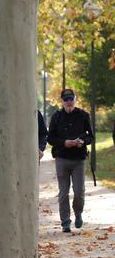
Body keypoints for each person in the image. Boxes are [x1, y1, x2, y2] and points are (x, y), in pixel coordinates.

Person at [47, 88, 94, 233]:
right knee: (63, 192)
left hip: (78, 159)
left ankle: (78, 213)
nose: (69, 102)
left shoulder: (84, 115)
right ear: (62, 101)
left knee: (79, 191)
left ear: (75, 99)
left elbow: (90, 137)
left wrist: (82, 141)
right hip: (62, 158)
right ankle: (65, 222)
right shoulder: (56, 117)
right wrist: (64, 142)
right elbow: (50, 138)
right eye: (66, 99)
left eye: (71, 99)